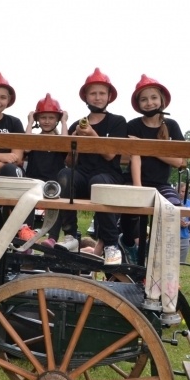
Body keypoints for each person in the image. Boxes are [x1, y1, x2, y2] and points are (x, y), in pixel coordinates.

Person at [54, 68, 127, 264]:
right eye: (93, 93)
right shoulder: (77, 125)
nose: (97, 97)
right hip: (82, 175)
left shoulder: (118, 122)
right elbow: (69, 161)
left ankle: (111, 244)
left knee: (99, 182)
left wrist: (92, 135)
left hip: (108, 174)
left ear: (109, 96)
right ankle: (70, 235)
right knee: (65, 175)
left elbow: (110, 155)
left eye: (102, 93)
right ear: (85, 96)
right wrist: (77, 137)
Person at [120, 75, 187, 266]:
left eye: (153, 98)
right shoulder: (133, 125)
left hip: (160, 183)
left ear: (161, 101)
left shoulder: (171, 126)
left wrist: (146, 146)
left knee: (173, 206)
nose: (149, 103)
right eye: (144, 99)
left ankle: (159, 251)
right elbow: (132, 156)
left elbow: (180, 162)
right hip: (135, 180)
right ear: (138, 103)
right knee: (129, 206)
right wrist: (139, 188)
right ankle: (128, 243)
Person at [23, 94, 69, 248]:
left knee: (56, 200)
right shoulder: (34, 140)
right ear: (38, 119)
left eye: (51, 117)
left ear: (57, 119)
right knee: (27, 199)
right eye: (43, 118)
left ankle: (52, 238)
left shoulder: (59, 140)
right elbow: (26, 146)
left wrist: (64, 122)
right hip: (34, 180)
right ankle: (26, 233)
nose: (47, 121)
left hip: (53, 183)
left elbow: (65, 146)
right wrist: (29, 122)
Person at [179, 183, 190, 264]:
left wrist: (188, 223)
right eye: (182, 191)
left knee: (181, 264)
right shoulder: (171, 201)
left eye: (185, 192)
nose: (183, 194)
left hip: (184, 237)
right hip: (172, 237)